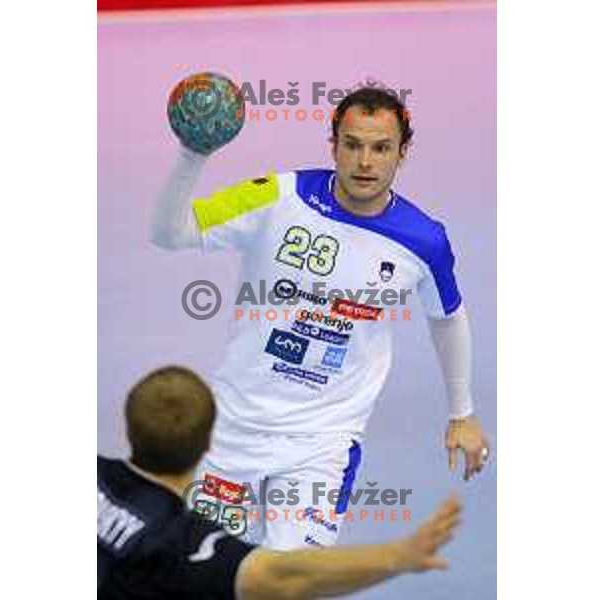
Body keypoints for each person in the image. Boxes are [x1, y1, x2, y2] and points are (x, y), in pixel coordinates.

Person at [151, 87, 489, 549]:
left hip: (322, 442)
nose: (365, 161)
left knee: (290, 582)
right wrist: (192, 154)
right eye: (352, 144)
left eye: (380, 147)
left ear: (402, 152)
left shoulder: (423, 242)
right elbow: (170, 233)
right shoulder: (277, 196)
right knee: (210, 577)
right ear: (333, 145)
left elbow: (447, 318)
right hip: (232, 430)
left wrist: (462, 413)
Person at [98, 365, 462, 600]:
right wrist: (397, 556)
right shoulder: (187, 546)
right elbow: (286, 578)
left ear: (129, 426)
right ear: (209, 442)